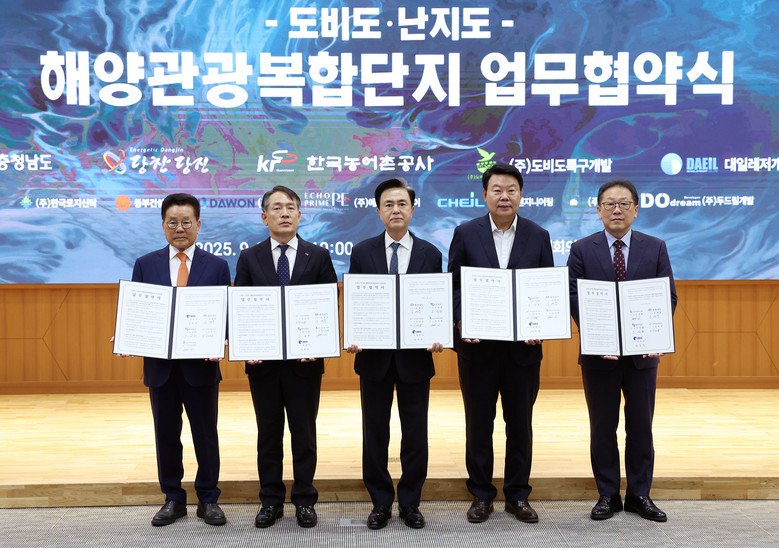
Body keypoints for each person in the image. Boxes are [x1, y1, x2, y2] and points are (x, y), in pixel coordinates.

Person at [448, 163, 553, 524]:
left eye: (511, 190)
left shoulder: (539, 235)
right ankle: (480, 494)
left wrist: (541, 324)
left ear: (521, 195)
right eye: (497, 190)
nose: (504, 196)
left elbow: (546, 289)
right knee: (479, 423)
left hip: (523, 350)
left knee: (520, 423)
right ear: (485, 195)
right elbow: (454, 285)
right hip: (478, 348)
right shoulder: (466, 233)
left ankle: (518, 495)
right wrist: (462, 319)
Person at [567, 178, 677, 522]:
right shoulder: (582, 249)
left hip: (642, 356)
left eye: (624, 204)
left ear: (636, 210)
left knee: (641, 426)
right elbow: (574, 297)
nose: (617, 210)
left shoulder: (655, 247)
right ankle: (608, 495)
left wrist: (653, 334)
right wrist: (598, 336)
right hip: (599, 356)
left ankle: (640, 494)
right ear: (598, 210)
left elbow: (668, 296)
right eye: (610, 204)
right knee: (602, 426)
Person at [233, 185, 337, 529]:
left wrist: (319, 344)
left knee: (304, 434)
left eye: (291, 207)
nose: (284, 213)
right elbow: (241, 307)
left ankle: (305, 500)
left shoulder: (317, 255)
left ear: (300, 214)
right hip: (263, 364)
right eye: (277, 208)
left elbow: (328, 305)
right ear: (264, 217)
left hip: (305, 364)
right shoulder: (249, 257)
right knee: (268, 434)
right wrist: (247, 346)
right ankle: (270, 501)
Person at [126, 193, 230, 527]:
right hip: (161, 368)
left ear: (198, 224)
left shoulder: (217, 265)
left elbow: (225, 313)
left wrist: (225, 338)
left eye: (186, 222)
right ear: (163, 225)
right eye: (173, 222)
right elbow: (138, 311)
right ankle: (173, 498)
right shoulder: (146, 263)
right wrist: (128, 334)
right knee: (166, 435)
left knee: (205, 435)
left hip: (201, 367)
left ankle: (208, 499)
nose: (180, 228)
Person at [346, 178, 443, 530]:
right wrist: (354, 333)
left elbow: (436, 302)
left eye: (402, 203)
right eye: (388, 204)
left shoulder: (431, 253)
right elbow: (356, 301)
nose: (396, 210)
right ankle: (381, 502)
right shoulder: (363, 251)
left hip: (415, 359)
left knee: (415, 434)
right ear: (378, 211)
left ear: (413, 209)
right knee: (375, 434)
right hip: (374, 359)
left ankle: (411, 502)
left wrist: (438, 333)